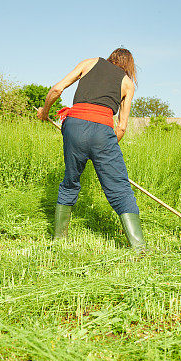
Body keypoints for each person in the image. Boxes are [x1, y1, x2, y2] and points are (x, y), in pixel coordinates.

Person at [37, 48, 146, 252]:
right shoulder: (127, 83)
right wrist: (105, 151)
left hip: (74, 126)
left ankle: (59, 241)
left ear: (111, 57)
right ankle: (139, 248)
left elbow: (56, 90)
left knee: (70, 181)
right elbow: (121, 126)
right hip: (103, 132)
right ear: (130, 66)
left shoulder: (90, 63)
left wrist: (45, 111)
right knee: (119, 188)